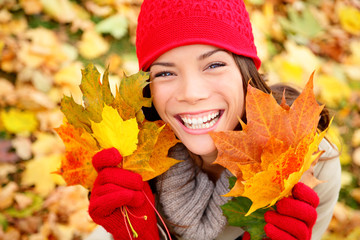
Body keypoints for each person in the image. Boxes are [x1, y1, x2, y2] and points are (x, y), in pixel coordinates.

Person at [85, 0, 341, 239]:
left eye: (214, 65)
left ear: (245, 71)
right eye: (165, 72)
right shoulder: (130, 161)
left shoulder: (309, 163)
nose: (192, 93)